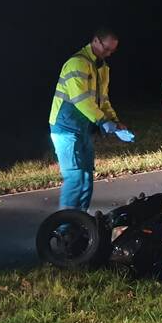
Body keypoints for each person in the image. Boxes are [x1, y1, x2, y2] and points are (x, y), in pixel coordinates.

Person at [49, 28, 136, 211]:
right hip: (65, 128)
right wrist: (104, 121)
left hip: (83, 129)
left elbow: (103, 100)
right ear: (95, 41)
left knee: (87, 177)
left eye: (112, 51)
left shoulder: (102, 67)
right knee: (75, 178)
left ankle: (82, 221)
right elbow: (81, 100)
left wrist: (115, 121)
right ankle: (65, 226)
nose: (109, 54)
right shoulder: (77, 64)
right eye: (106, 49)